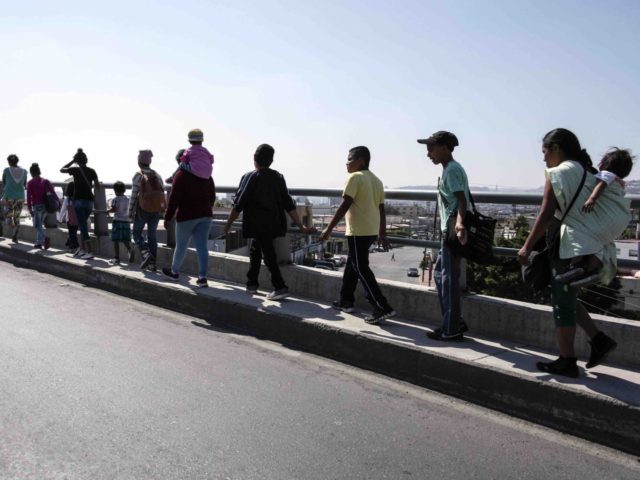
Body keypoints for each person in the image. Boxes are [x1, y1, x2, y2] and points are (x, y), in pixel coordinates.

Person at [518, 128, 619, 378]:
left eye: (545, 152)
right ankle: (598, 339)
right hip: (588, 245)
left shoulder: (558, 173)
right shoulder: (589, 172)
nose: (543, 159)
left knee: (562, 302)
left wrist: (526, 246)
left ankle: (567, 360)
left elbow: (545, 212)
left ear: (556, 148)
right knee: (567, 295)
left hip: (566, 245)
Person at [224, 144, 313, 300]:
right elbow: (289, 204)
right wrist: (300, 226)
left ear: (254, 158)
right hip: (274, 224)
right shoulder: (278, 177)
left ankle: (280, 286)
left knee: (268, 254)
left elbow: (239, 204)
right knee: (256, 250)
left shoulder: (250, 176)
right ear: (272, 160)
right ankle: (251, 284)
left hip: (257, 224)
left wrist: (228, 224)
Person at [319, 146, 396, 324]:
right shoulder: (376, 180)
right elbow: (382, 209)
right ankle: (346, 301)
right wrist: (382, 233)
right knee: (353, 265)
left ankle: (381, 306)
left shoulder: (354, 177)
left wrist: (328, 229)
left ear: (361, 160)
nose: (346, 163)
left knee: (360, 267)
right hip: (370, 231)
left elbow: (345, 205)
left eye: (349, 159)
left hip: (357, 231)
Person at [418, 131, 470, 341]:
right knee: (440, 273)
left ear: (444, 148)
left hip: (452, 230)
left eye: (431, 148)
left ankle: (452, 328)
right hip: (448, 230)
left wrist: (458, 224)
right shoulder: (449, 169)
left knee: (448, 279)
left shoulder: (453, 170)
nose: (428, 153)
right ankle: (453, 320)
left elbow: (462, 200)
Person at [555, 148, 634, 286]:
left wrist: (592, 198)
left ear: (604, 164)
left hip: (604, 222)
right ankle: (590, 270)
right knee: (599, 244)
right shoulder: (619, 182)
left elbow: (602, 183)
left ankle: (575, 265)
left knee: (578, 232)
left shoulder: (606, 174)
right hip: (617, 222)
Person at [162, 158, 215, 287]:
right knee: (202, 247)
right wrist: (205, 208)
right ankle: (202, 278)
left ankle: (174, 272)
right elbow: (212, 196)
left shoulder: (181, 175)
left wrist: (167, 217)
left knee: (181, 246)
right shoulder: (206, 174)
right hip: (205, 215)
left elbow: (173, 198)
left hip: (186, 216)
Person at [60, 148, 99, 260]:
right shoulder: (92, 171)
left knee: (82, 226)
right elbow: (97, 185)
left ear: (77, 161)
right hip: (89, 201)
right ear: (86, 160)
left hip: (78, 201)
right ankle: (82, 249)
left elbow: (62, 169)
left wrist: (72, 161)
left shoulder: (75, 170)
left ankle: (90, 251)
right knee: (82, 226)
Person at [129, 150, 165, 270]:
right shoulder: (157, 175)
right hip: (155, 209)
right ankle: (152, 264)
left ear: (139, 162)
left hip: (142, 209)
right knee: (152, 236)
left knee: (136, 233)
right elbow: (162, 191)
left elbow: (134, 194)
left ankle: (145, 253)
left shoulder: (138, 175)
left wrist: (130, 210)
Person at [26, 163, 59, 250]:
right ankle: (39, 243)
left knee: (37, 225)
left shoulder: (30, 183)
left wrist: (29, 208)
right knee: (40, 225)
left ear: (31, 173)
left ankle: (45, 238)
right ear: (39, 171)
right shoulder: (45, 181)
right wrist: (58, 202)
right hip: (46, 206)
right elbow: (53, 192)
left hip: (37, 206)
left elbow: (29, 197)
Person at [2, 154, 28, 243]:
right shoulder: (25, 171)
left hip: (9, 197)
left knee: (8, 218)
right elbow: (25, 184)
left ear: (9, 162)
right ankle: (15, 235)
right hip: (20, 198)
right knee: (17, 217)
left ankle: (13, 230)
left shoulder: (6, 170)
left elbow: (4, 183)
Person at [108, 181, 133, 266]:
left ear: (115, 191)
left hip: (117, 221)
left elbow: (114, 209)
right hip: (126, 221)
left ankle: (117, 258)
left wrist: (108, 211)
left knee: (116, 240)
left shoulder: (115, 199)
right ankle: (129, 249)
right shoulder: (128, 199)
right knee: (125, 239)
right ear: (124, 190)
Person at [63, 181, 79, 251]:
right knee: (73, 233)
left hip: (69, 219)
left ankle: (72, 247)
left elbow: (63, 209)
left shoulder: (67, 199)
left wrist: (60, 219)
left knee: (71, 233)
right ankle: (72, 245)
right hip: (77, 219)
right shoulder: (78, 199)